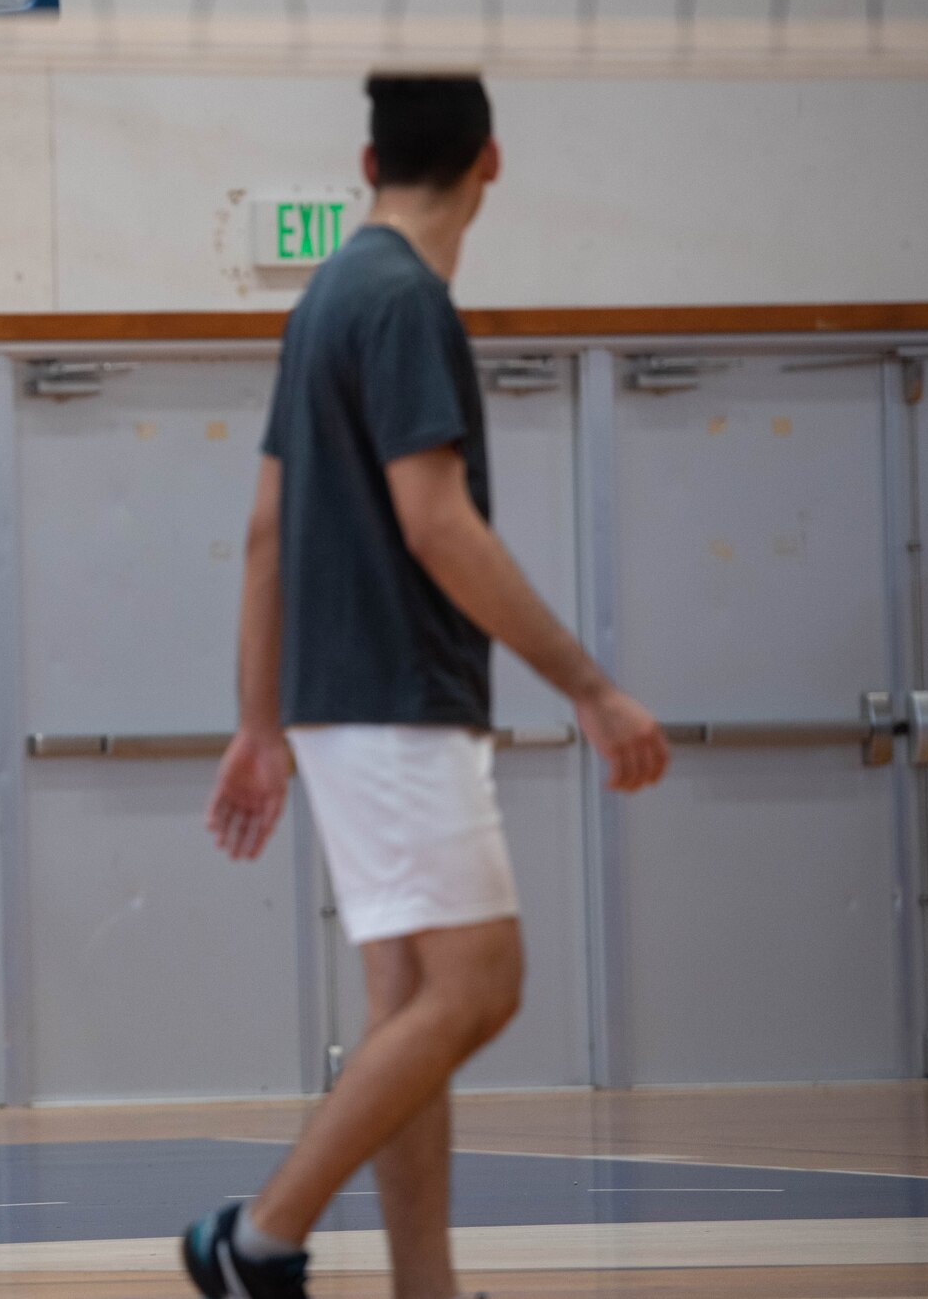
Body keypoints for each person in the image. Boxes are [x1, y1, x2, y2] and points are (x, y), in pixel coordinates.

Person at [181, 76, 669, 1299]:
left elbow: (262, 532)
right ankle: (260, 1237)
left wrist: (258, 719)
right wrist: (590, 687)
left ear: (364, 157)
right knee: (480, 985)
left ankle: (423, 1287)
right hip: (397, 700)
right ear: (489, 162)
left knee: (412, 1009)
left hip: (339, 709)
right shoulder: (403, 299)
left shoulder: (328, 297)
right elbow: (436, 523)